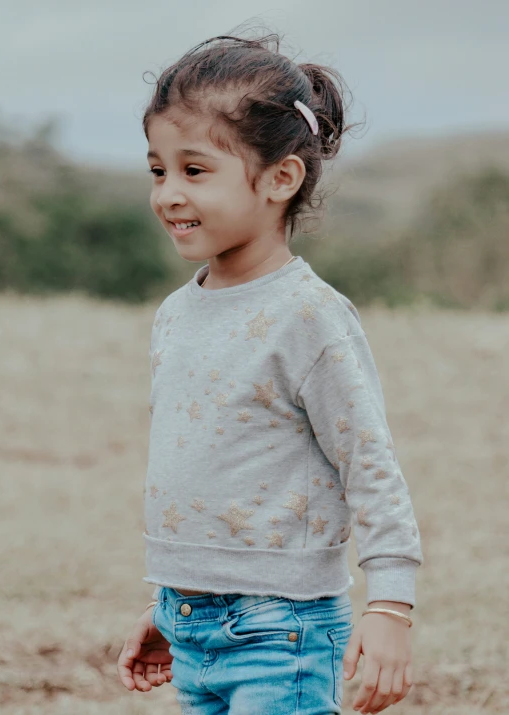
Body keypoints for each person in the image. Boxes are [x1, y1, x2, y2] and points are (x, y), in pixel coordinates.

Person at [118, 29, 423, 715]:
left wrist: (391, 607)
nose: (168, 193)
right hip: (191, 623)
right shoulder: (176, 312)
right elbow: (210, 468)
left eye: (194, 171)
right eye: (157, 170)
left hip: (280, 630)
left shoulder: (308, 316)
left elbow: (369, 464)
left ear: (281, 178)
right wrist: (171, 601)